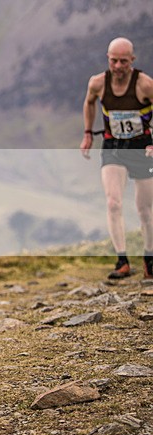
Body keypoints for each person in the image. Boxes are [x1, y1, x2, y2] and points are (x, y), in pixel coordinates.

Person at [81, 37, 153, 280]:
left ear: (132, 60)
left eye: (124, 61)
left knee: (145, 209)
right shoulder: (98, 83)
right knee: (113, 202)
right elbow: (89, 103)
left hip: (142, 148)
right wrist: (88, 133)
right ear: (108, 59)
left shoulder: (145, 84)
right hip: (113, 146)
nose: (118, 66)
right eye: (114, 60)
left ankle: (149, 259)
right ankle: (122, 260)